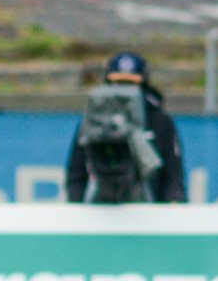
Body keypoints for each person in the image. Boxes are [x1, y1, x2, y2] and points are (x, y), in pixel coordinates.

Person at [66, 51, 186, 204]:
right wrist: (76, 206)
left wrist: (174, 203)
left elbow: (173, 171)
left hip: (148, 208)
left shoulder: (159, 120)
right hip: (100, 205)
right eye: (119, 83)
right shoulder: (93, 120)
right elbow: (76, 172)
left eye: (131, 84)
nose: (124, 90)